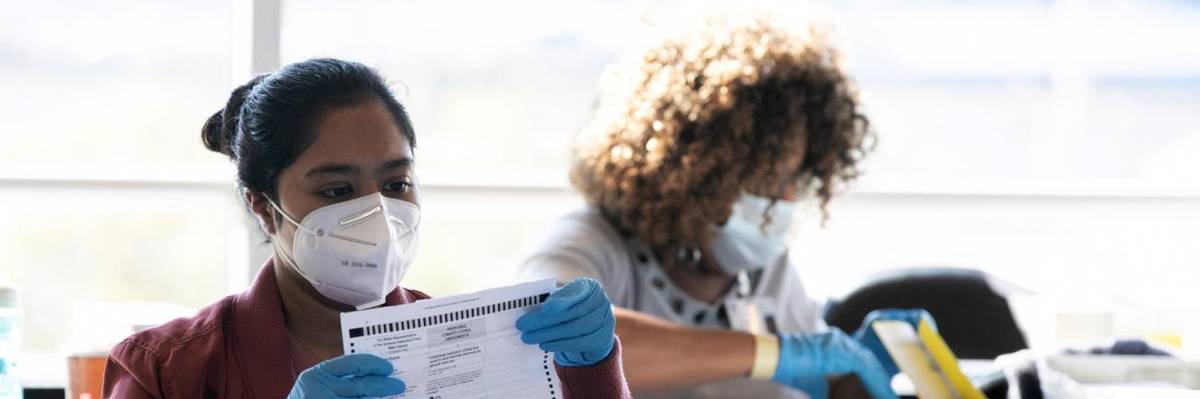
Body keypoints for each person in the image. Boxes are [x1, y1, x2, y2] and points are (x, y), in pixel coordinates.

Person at [102, 58, 631, 398]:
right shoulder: (167, 372)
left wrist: (591, 372)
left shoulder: (478, 354)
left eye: (396, 183)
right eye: (336, 191)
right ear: (262, 206)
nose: (377, 213)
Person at [520, 17, 932, 399]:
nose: (785, 201)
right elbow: (548, 335)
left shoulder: (764, 270)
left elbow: (824, 374)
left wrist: (861, 369)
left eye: (794, 182)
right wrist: (770, 354)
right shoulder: (588, 241)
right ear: (694, 171)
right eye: (767, 183)